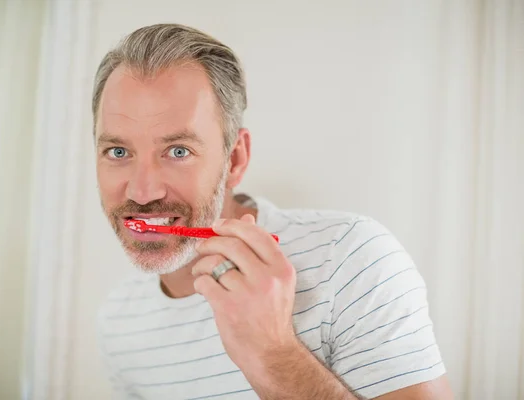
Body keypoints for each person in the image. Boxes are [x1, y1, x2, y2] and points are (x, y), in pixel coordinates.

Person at [93, 23, 453, 399]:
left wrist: (273, 354)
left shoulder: (351, 259)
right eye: (118, 152)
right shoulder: (118, 319)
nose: (143, 191)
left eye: (178, 151)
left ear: (234, 159)